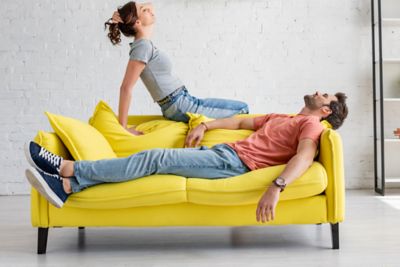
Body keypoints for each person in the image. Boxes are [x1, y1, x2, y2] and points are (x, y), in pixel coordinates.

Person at [25, 92, 348, 223]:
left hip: (232, 164)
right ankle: (68, 186)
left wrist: (277, 186)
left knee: (154, 159)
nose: (319, 91)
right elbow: (239, 122)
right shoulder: (284, 117)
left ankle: (68, 170)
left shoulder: (311, 125)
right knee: (153, 164)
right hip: (222, 153)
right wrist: (206, 126)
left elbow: (305, 157)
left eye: (326, 95)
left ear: (325, 111)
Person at [103, 1, 249, 135]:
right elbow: (126, 88)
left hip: (184, 100)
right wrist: (123, 127)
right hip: (178, 104)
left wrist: (124, 14)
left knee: (241, 108)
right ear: (138, 22)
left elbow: (151, 6)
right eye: (143, 10)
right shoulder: (142, 47)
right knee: (242, 110)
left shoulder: (144, 44)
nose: (148, 9)